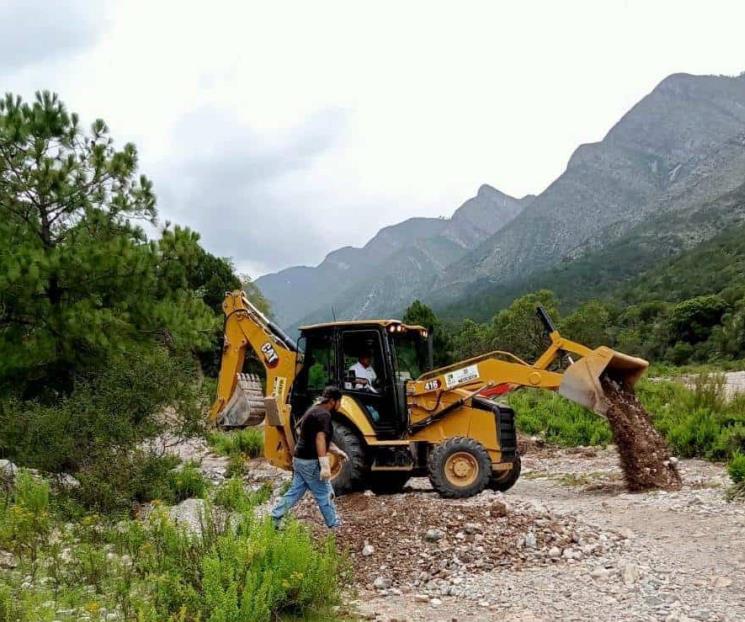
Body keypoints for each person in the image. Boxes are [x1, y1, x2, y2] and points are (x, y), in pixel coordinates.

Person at [271, 385, 348, 529]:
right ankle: (334, 525)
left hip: (300, 459)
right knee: (325, 493)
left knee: (295, 492)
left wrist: (338, 451)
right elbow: (320, 439)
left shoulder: (315, 410)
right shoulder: (323, 415)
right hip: (309, 462)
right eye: (340, 401)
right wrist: (324, 466)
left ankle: (275, 518)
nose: (340, 405)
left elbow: (323, 438)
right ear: (332, 401)